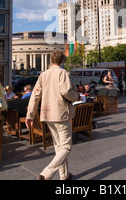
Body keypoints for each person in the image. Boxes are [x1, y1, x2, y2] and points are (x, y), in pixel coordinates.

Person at [26, 51, 80, 180]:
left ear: (51, 60)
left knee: (59, 146)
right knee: (66, 147)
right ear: (62, 61)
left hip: (47, 113)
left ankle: (64, 175)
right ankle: (47, 173)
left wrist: (30, 116)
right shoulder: (62, 73)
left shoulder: (43, 75)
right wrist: (76, 96)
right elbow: (66, 91)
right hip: (61, 113)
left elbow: (35, 95)